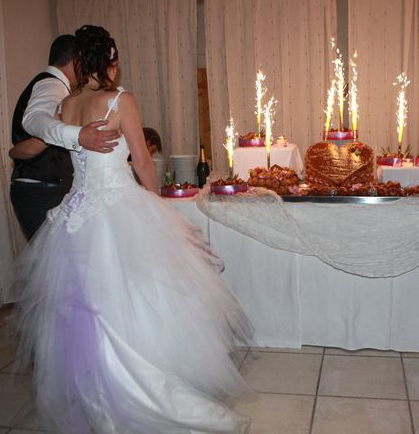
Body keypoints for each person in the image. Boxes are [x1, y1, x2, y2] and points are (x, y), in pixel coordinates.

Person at [13, 25, 254, 434]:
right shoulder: (121, 100)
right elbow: (142, 161)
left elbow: (41, 136)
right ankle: (144, 388)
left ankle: (100, 392)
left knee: (90, 307)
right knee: (138, 300)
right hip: (119, 205)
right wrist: (157, 206)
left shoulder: (67, 105)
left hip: (77, 215)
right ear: (110, 59)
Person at [9, 34, 120, 239]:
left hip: (38, 186)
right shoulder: (53, 86)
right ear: (77, 62)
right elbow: (36, 121)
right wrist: (78, 135)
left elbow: (27, 146)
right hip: (43, 189)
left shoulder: (56, 86)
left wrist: (17, 151)